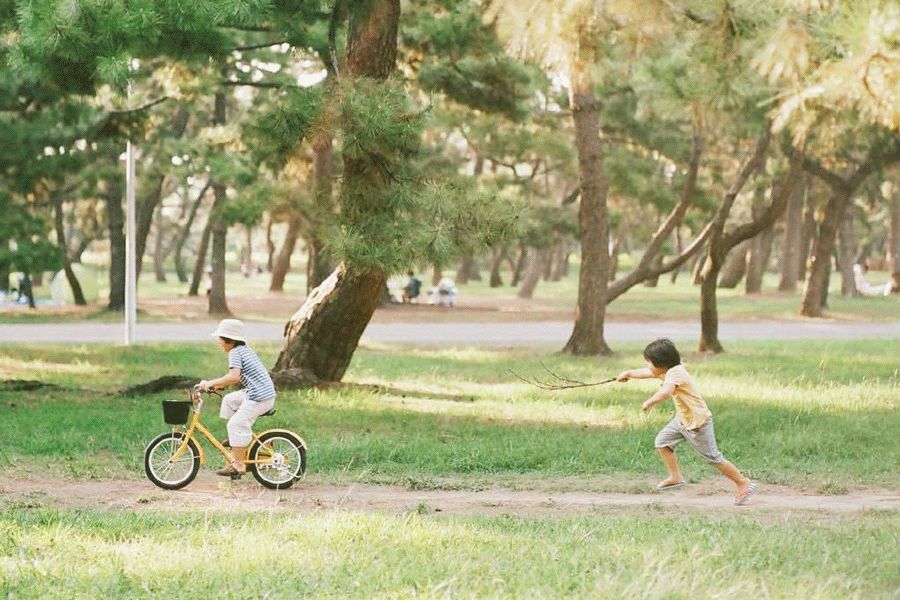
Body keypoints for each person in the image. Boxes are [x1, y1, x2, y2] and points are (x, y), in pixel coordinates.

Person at [617, 338, 758, 506]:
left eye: (649, 363)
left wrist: (650, 402)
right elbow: (647, 373)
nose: (648, 366)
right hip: (682, 420)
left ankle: (743, 483)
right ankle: (675, 477)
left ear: (661, 364)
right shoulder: (668, 370)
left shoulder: (676, 374)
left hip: (698, 424)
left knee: (713, 457)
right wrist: (628, 373)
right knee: (662, 442)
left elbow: (666, 391)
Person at [199, 319, 277, 478]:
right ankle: (237, 441)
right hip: (260, 393)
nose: (219, 342)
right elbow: (240, 376)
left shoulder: (235, 352)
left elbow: (234, 377)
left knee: (236, 424)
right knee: (229, 400)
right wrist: (220, 385)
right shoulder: (244, 349)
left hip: (259, 397)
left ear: (229, 339)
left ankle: (239, 465)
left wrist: (210, 383)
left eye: (220, 339)